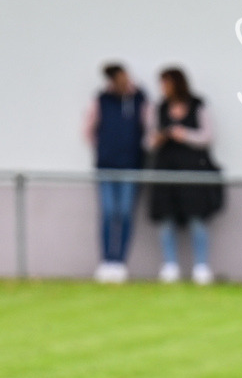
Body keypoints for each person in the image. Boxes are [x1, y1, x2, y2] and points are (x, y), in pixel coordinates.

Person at [148, 67, 224, 285]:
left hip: (192, 169)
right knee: (166, 217)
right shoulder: (159, 108)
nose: (163, 88)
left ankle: (201, 266)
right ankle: (170, 266)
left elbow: (208, 136)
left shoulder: (198, 105)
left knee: (196, 217)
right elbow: (148, 139)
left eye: (167, 83)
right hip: (166, 168)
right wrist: (160, 138)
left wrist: (185, 135)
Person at [84, 63, 149, 284]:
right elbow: (89, 130)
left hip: (131, 164)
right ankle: (107, 260)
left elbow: (148, 127)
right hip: (106, 165)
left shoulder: (138, 98)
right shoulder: (102, 99)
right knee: (109, 211)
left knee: (125, 212)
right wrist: (104, 148)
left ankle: (120, 261)